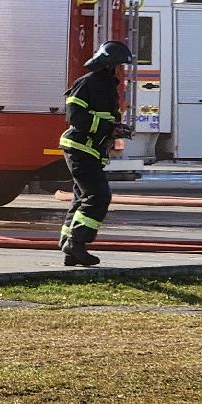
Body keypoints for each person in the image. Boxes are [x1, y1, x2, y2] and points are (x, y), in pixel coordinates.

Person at [59, 40, 133, 266]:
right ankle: (77, 242)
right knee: (98, 196)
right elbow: (75, 116)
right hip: (79, 148)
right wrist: (107, 128)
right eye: (118, 66)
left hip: (90, 150)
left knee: (82, 197)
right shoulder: (87, 83)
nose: (120, 70)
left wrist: (115, 129)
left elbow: (105, 118)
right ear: (108, 65)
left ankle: (70, 247)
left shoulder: (107, 86)